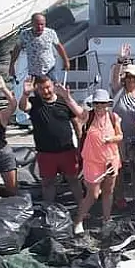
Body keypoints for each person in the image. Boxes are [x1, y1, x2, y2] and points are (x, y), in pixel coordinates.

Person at [19, 75, 84, 205]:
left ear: (53, 85)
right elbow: (23, 107)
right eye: (42, 89)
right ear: (37, 89)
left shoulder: (63, 101)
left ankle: (82, 206)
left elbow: (76, 123)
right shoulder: (34, 102)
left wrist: (80, 145)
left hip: (67, 150)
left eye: (48, 87)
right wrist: (25, 94)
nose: (46, 91)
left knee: (73, 180)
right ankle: (48, 208)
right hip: (45, 153)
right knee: (47, 183)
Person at [73, 89, 122, 233]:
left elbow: (120, 136)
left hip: (111, 160)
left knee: (108, 191)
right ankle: (78, 221)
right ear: (93, 105)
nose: (100, 107)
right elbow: (75, 109)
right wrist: (66, 96)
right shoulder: (88, 116)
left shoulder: (114, 117)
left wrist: (110, 139)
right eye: (97, 104)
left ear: (108, 104)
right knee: (92, 194)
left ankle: (106, 219)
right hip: (92, 161)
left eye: (103, 104)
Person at [110, 53, 135, 208]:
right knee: (118, 168)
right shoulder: (118, 92)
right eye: (129, 77)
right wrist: (120, 61)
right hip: (119, 137)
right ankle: (119, 196)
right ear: (124, 78)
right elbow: (114, 79)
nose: (132, 80)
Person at [8, 12, 69, 80]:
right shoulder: (24, 34)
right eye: (37, 24)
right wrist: (12, 65)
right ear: (32, 24)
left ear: (45, 24)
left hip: (50, 70)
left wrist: (66, 61)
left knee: (52, 89)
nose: (39, 27)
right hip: (34, 73)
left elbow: (59, 46)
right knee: (37, 90)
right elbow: (17, 49)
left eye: (42, 24)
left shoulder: (51, 33)